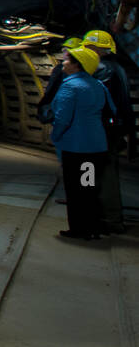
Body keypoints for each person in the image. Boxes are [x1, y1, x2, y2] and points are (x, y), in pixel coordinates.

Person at [50, 45, 113, 240]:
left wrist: (56, 136)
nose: (64, 63)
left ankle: (78, 229)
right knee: (89, 187)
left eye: (68, 61)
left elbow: (62, 118)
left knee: (75, 190)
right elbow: (111, 111)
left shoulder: (70, 86)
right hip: (96, 147)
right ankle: (92, 227)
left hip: (76, 148)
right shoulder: (98, 85)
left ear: (78, 66)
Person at [81, 29, 129, 234]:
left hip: (100, 130)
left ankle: (102, 218)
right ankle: (111, 216)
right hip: (113, 128)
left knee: (93, 171)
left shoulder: (101, 69)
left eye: (89, 48)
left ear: (100, 50)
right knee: (107, 171)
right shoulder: (118, 68)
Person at [36, 36, 82, 122]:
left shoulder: (64, 69)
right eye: (64, 50)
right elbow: (51, 90)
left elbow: (53, 90)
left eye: (68, 51)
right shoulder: (60, 68)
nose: (65, 54)